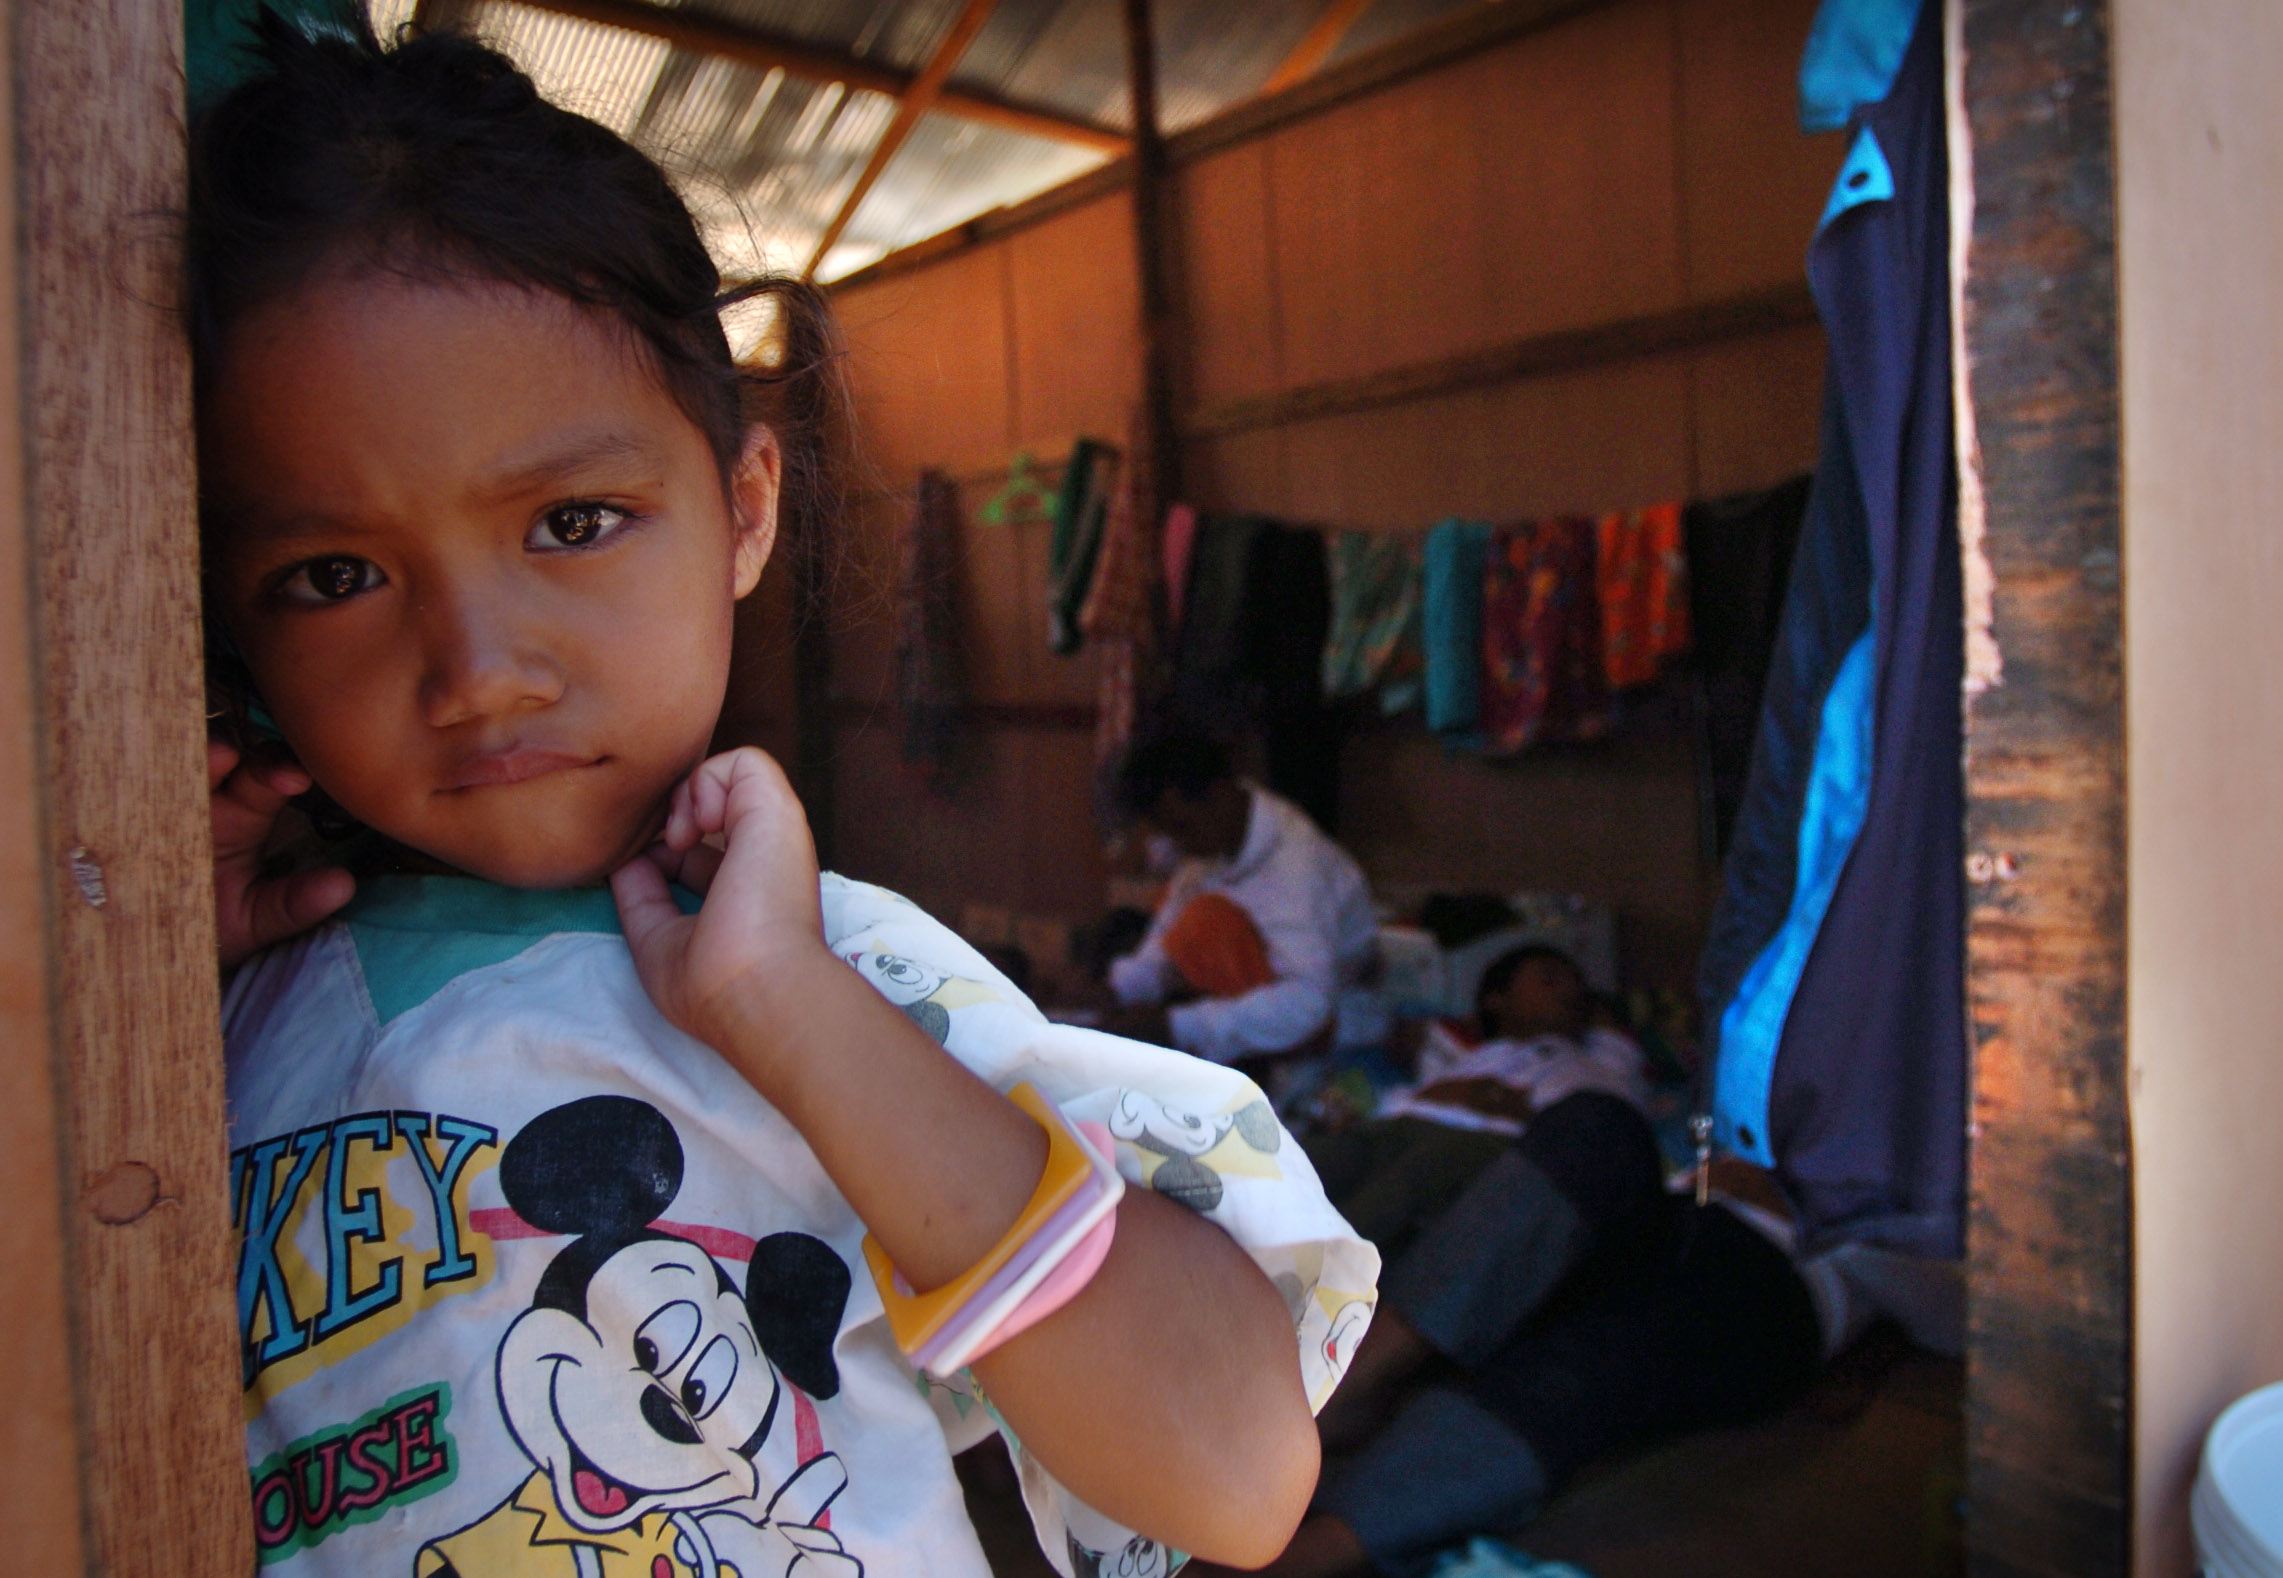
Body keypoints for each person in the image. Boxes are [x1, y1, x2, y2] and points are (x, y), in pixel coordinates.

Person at [195, 18, 1374, 1578]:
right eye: (334, 574)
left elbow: (1231, 1474)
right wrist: (140, 993)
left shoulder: (836, 982)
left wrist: (797, 1017)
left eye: (572, 519)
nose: (476, 669)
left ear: (743, 507)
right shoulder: (205, 1026)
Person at [1303, 945, 1649, 1260]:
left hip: (1496, 1146)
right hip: (1402, 1128)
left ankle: (1301, 1286)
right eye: (1550, 981)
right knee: (1311, 1161)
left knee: (1410, 1179)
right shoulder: (1475, 1055)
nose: (1571, 991)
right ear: (1497, 1000)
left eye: (1577, 984)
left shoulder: (1596, 1063)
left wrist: (1491, 1099)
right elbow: (1408, 1068)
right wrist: (1474, 1092)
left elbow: (1605, 1125)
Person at [1103, 732, 1384, 1069]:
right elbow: (1162, 947)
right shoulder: (1212, 845)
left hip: (1329, 1034)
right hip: (1252, 1014)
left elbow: (1308, 1003)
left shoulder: (1295, 863)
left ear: (1219, 798)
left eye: (1182, 827)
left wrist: (1176, 1026)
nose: (1178, 845)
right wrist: (1114, 991)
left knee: (1207, 920)